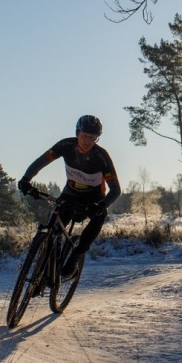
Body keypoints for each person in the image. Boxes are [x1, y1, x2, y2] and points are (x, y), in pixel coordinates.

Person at [17, 115, 121, 276]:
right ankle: (51, 256)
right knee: (54, 227)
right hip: (71, 193)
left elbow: (115, 190)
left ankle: (77, 254)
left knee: (101, 215)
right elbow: (41, 161)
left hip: (93, 197)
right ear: (77, 133)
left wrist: (101, 206)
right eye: (84, 136)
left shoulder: (101, 156)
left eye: (92, 138)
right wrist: (26, 179)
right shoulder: (65, 145)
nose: (87, 141)